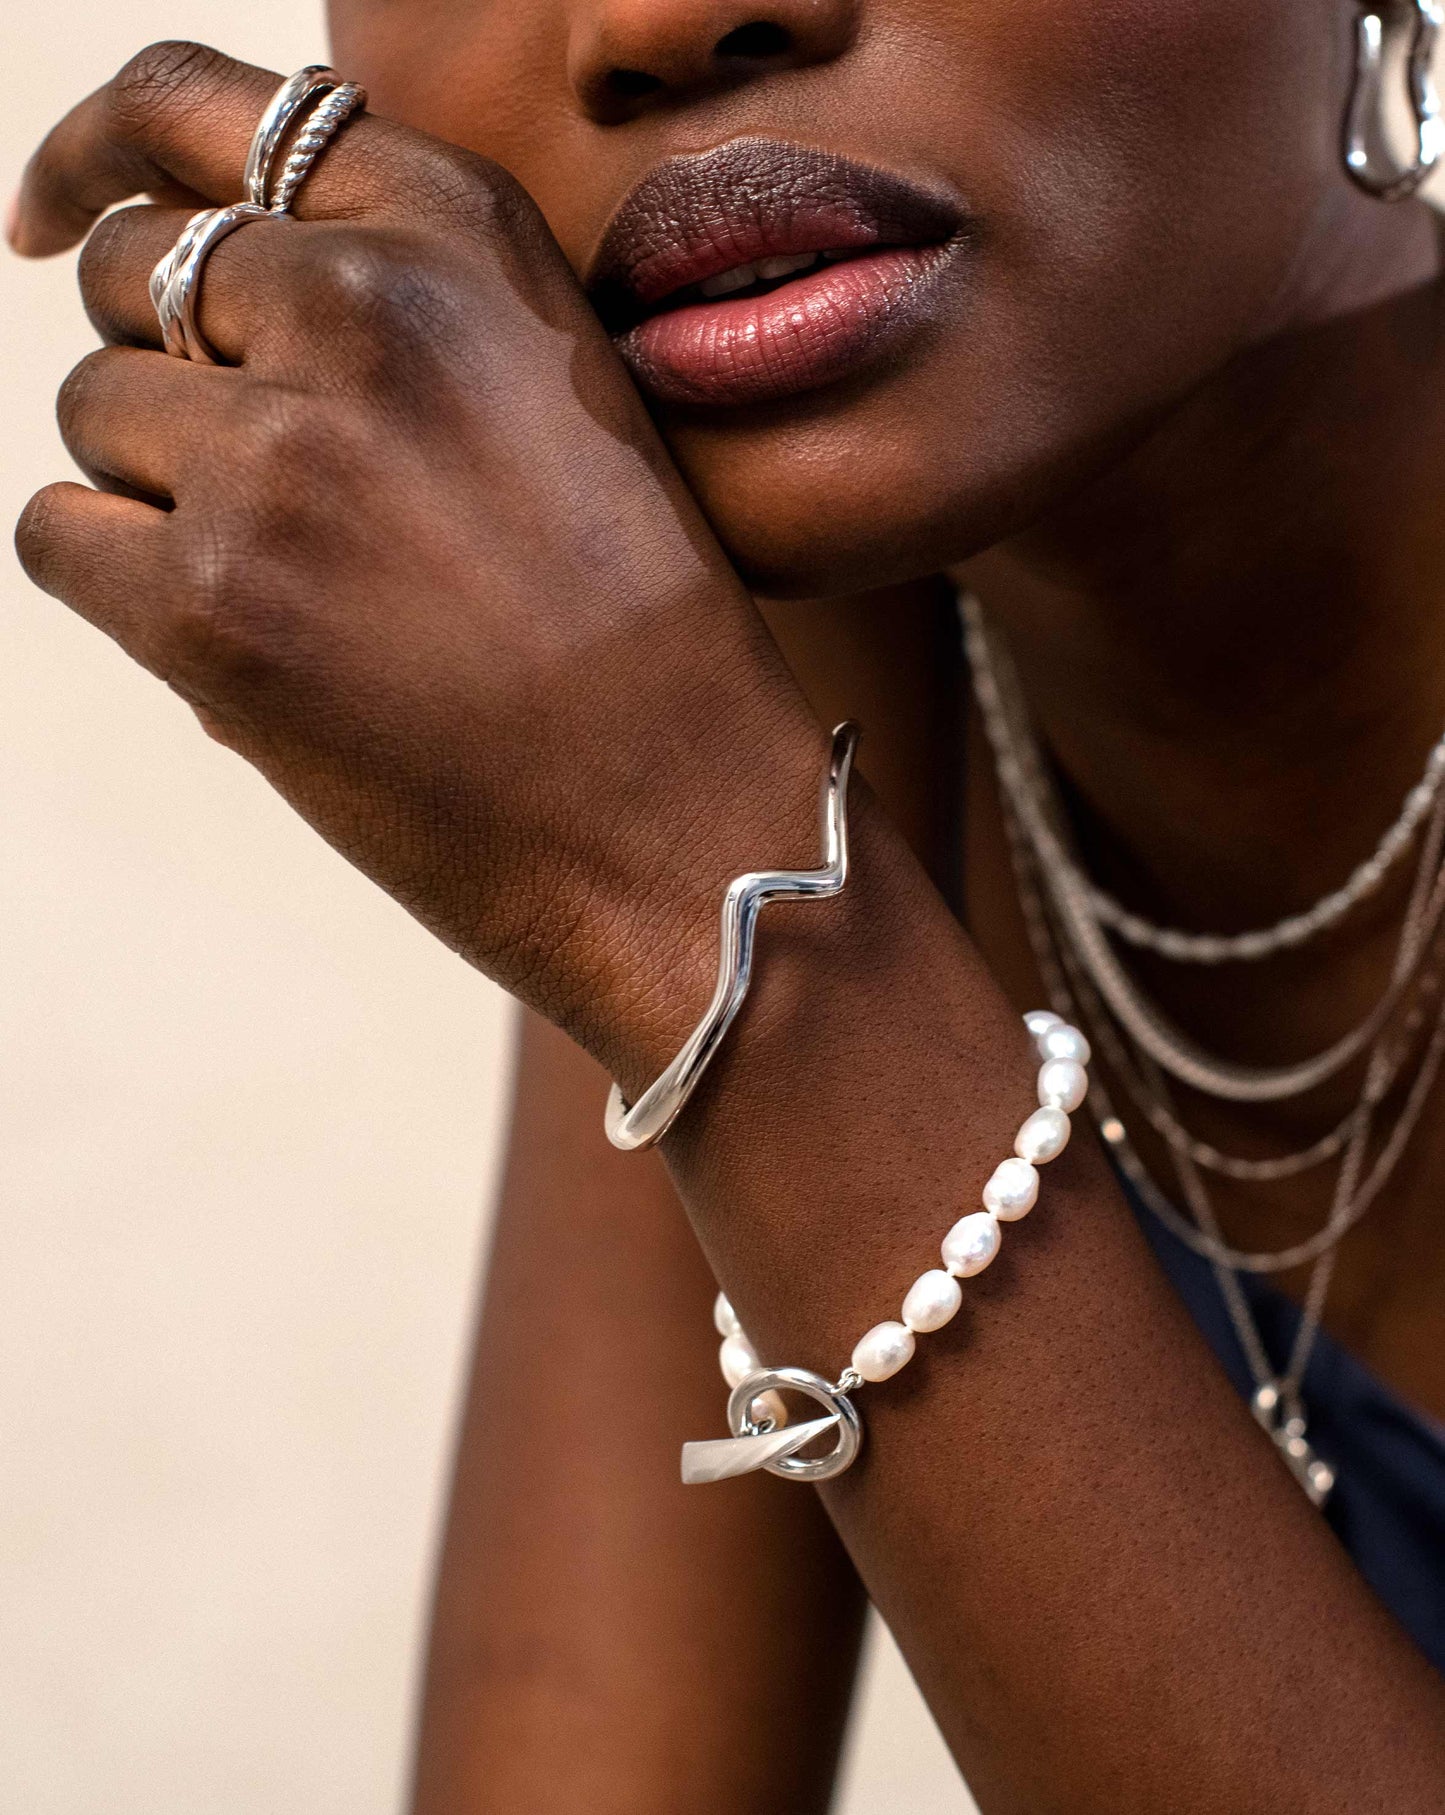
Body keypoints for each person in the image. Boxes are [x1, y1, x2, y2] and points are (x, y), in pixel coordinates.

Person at [11, 4, 1445, 1807]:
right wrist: (670, 854)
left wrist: (708, 917)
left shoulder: (704, 799)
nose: (655, 15)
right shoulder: (745, 683)